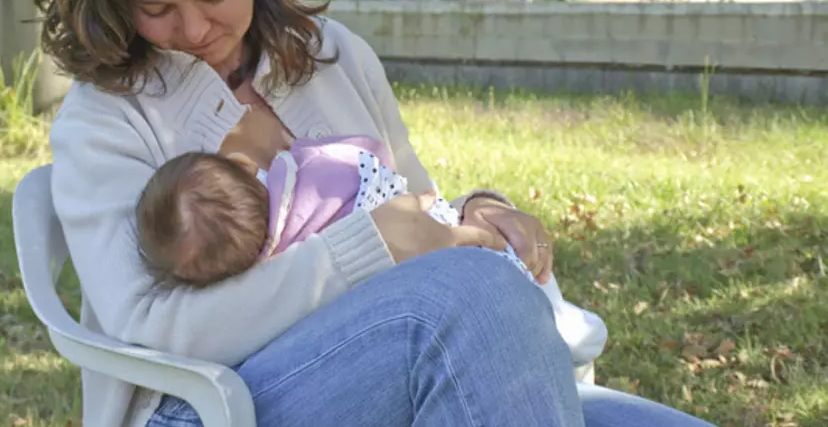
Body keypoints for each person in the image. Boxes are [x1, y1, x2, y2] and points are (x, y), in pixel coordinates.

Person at [33, 0, 752, 427]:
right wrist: (371, 250)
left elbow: (419, 215)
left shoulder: (335, 57)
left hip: (395, 368)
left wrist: (481, 213)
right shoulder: (105, 117)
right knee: (466, 301)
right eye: (156, 7)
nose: (192, 30)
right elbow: (153, 325)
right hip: (200, 418)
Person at [135, 135, 608, 368]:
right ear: (240, 164)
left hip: (444, 253)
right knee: (502, 287)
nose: (195, 26)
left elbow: (426, 193)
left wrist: (484, 206)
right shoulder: (305, 167)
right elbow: (370, 156)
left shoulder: (277, 256)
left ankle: (556, 332)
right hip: (441, 289)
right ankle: (559, 327)